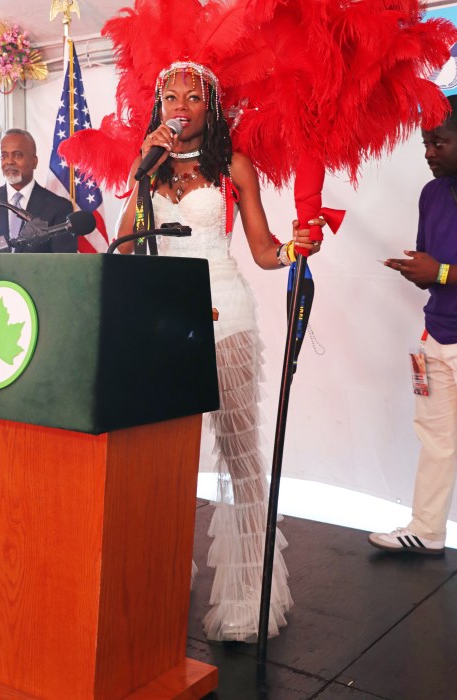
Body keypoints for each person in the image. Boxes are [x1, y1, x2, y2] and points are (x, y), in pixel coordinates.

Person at [116, 62, 323, 641]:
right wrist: (141, 166)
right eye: (170, 97)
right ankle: (167, 568)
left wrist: (294, 248)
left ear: (211, 107)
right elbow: (127, 244)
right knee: (166, 456)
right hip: (165, 323)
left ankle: (249, 593)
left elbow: (261, 251)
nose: (180, 105)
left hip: (224, 316)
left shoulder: (233, 168)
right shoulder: (148, 168)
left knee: (239, 456)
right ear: (158, 107)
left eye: (193, 97)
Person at [369, 93, 457, 556]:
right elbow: (435, 267)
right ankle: (427, 530)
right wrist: (421, 270)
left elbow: (443, 271)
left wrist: (440, 272)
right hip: (437, 332)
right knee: (436, 438)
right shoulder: (431, 193)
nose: (428, 152)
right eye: (425, 143)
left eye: (439, 142)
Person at [0, 129, 76, 253]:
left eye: (17, 155)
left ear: (34, 161)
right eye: (4, 156)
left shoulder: (59, 207)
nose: (9, 161)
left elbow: (63, 264)